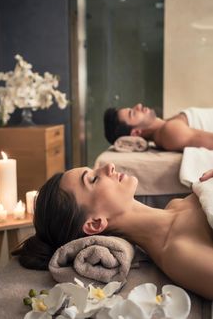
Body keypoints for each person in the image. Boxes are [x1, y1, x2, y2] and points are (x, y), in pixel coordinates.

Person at [17, 163, 213, 300]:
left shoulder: (176, 204)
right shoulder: (177, 253)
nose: (109, 166)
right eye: (93, 179)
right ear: (95, 223)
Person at [104, 104, 213, 151]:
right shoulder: (170, 132)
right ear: (136, 133)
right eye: (133, 113)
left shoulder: (167, 124)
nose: (138, 105)